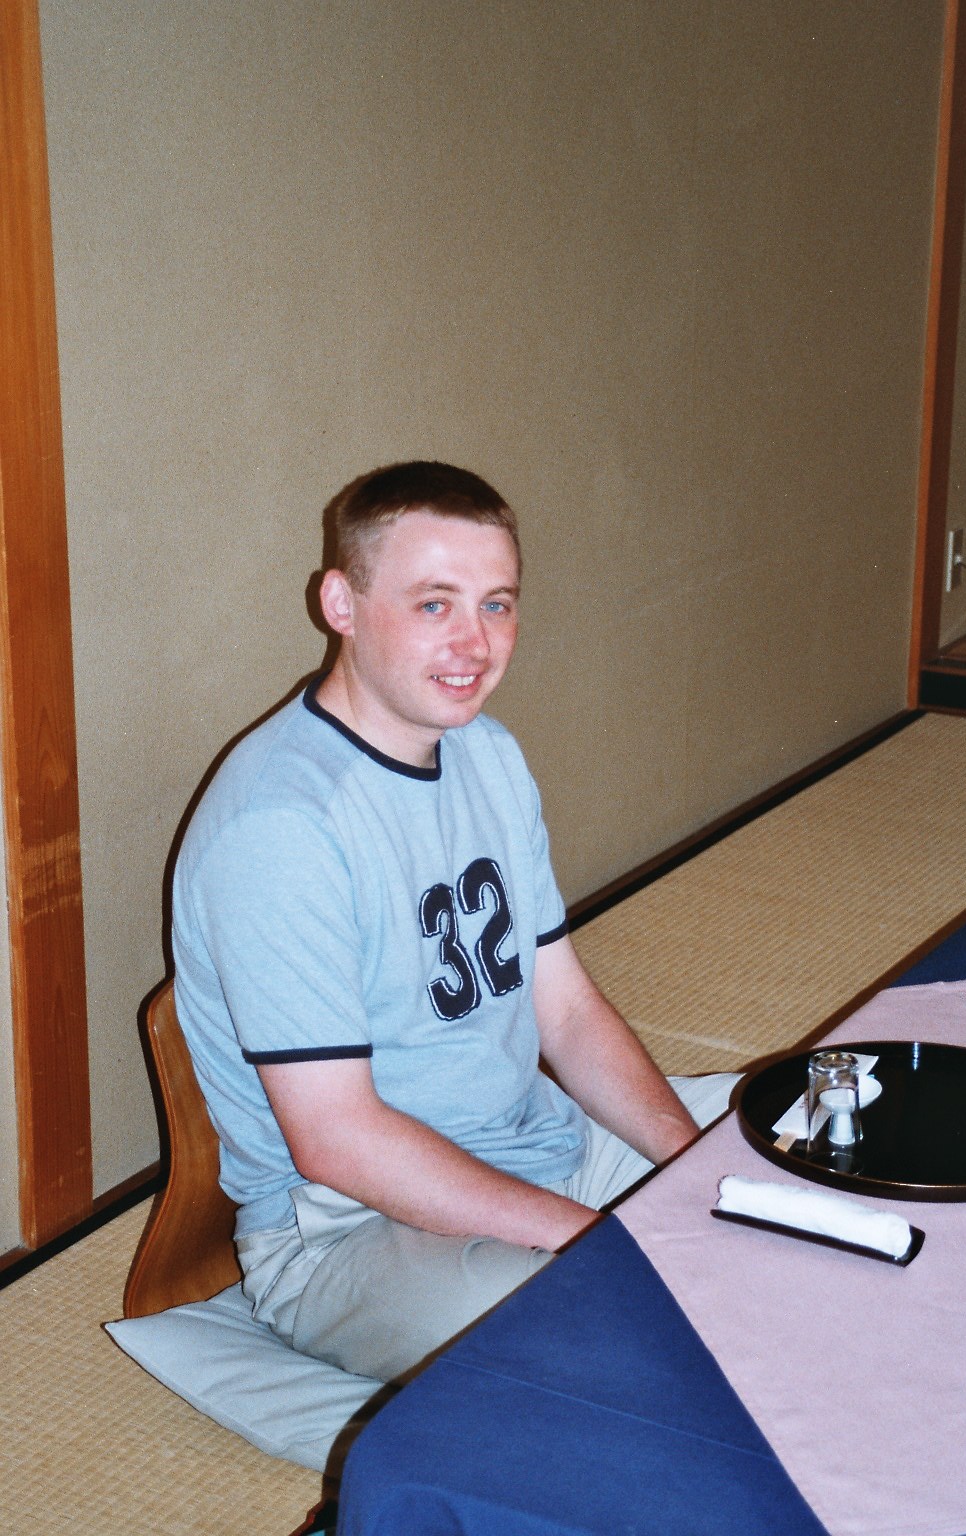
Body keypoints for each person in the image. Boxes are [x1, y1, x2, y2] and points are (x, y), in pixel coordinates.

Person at [172, 461, 737, 1386]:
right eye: (434, 604)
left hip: (535, 1149)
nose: (475, 643)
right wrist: (601, 1244)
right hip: (350, 1232)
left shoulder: (488, 754)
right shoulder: (282, 827)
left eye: (498, 604)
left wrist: (697, 1164)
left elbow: (567, 1011)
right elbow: (337, 1140)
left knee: (803, 1151)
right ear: (340, 603)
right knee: (624, 1344)